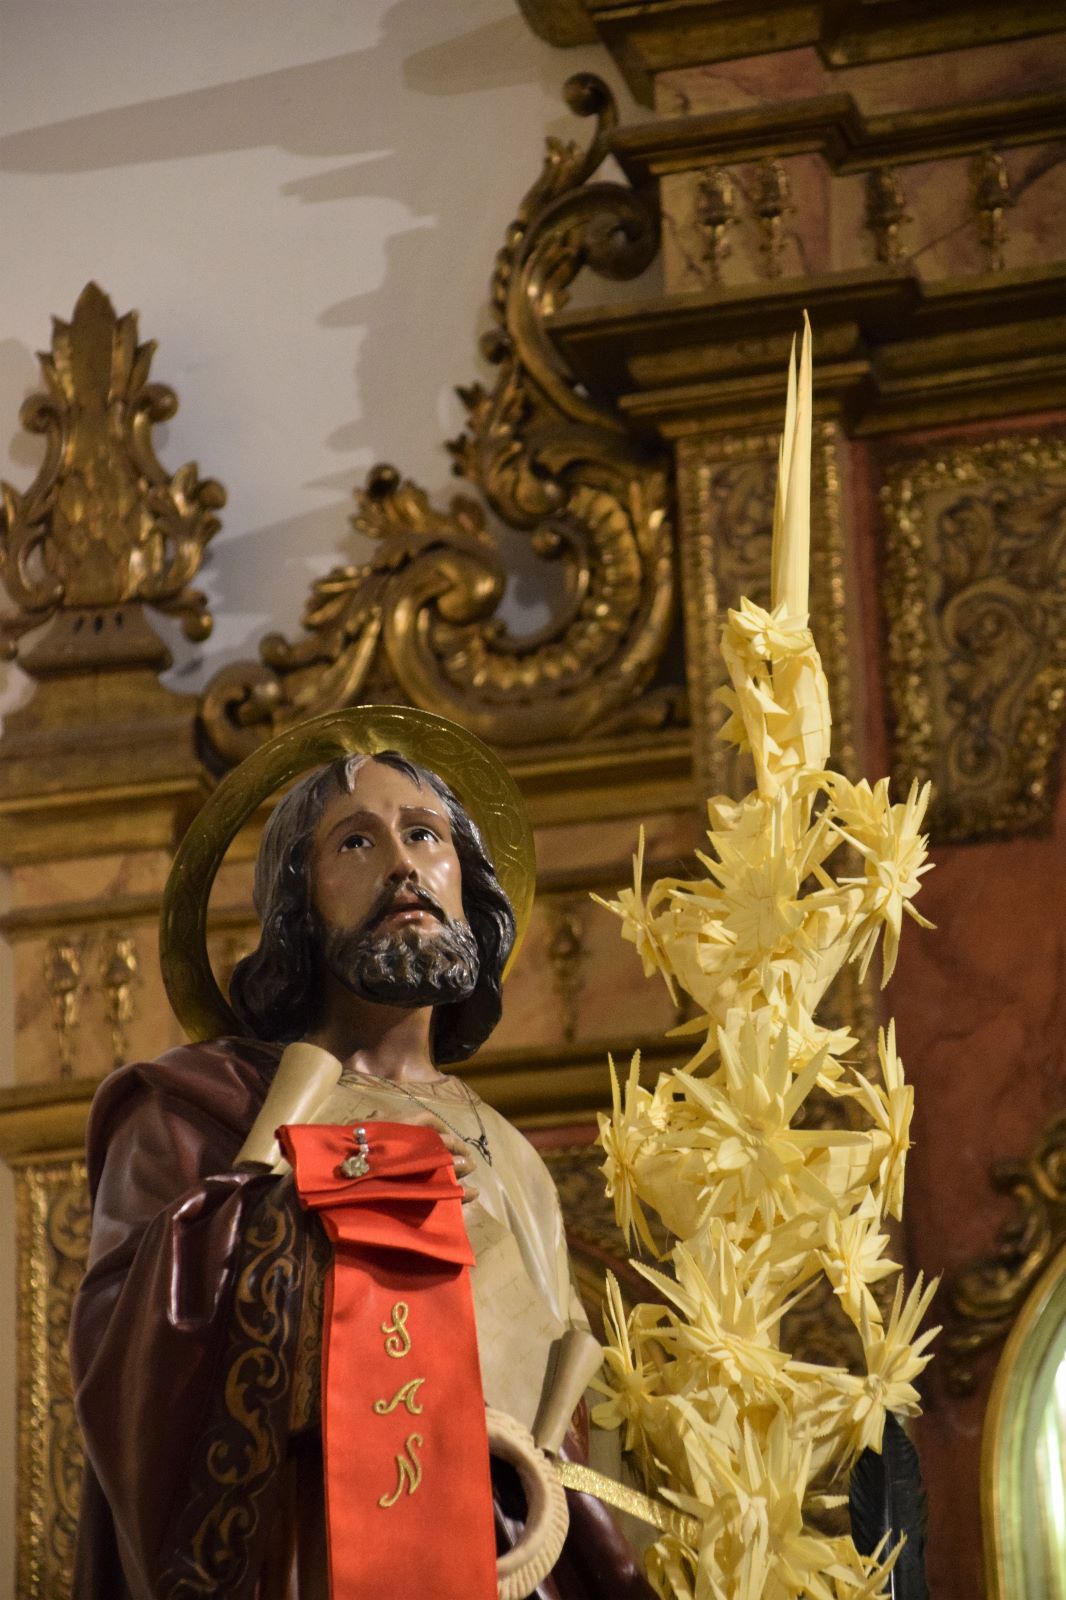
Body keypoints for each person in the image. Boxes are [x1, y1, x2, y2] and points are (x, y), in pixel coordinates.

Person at [70, 733, 654, 1600]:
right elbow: (129, 1367)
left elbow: (558, 1425)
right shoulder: (197, 1107)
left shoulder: (511, 1151)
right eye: (354, 842)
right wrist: (315, 1212)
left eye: (426, 836)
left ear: (468, 884)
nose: (401, 866)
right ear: (295, 904)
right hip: (315, 1554)